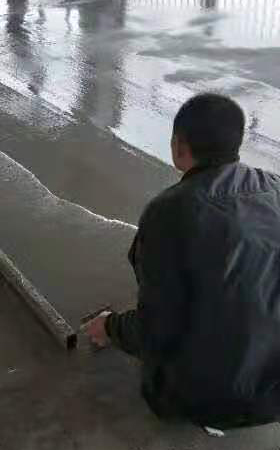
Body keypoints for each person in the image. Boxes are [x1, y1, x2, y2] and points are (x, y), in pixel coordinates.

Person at [85, 93, 280, 432]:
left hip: (210, 402)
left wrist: (110, 327)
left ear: (179, 146)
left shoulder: (170, 211)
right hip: (275, 394)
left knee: (164, 322)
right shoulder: (275, 187)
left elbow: (158, 329)